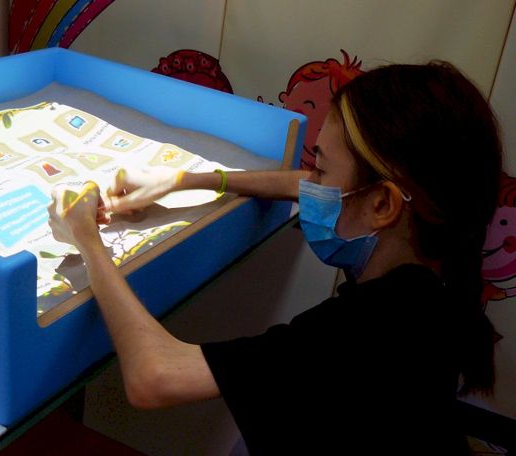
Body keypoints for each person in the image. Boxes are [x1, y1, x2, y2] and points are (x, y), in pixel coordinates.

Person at [48, 62, 502, 455]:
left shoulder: (364, 334)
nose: (310, 181)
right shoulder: (437, 270)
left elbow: (155, 377)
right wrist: (185, 179)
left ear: (382, 204)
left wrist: (86, 238)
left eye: (322, 168)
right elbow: (307, 185)